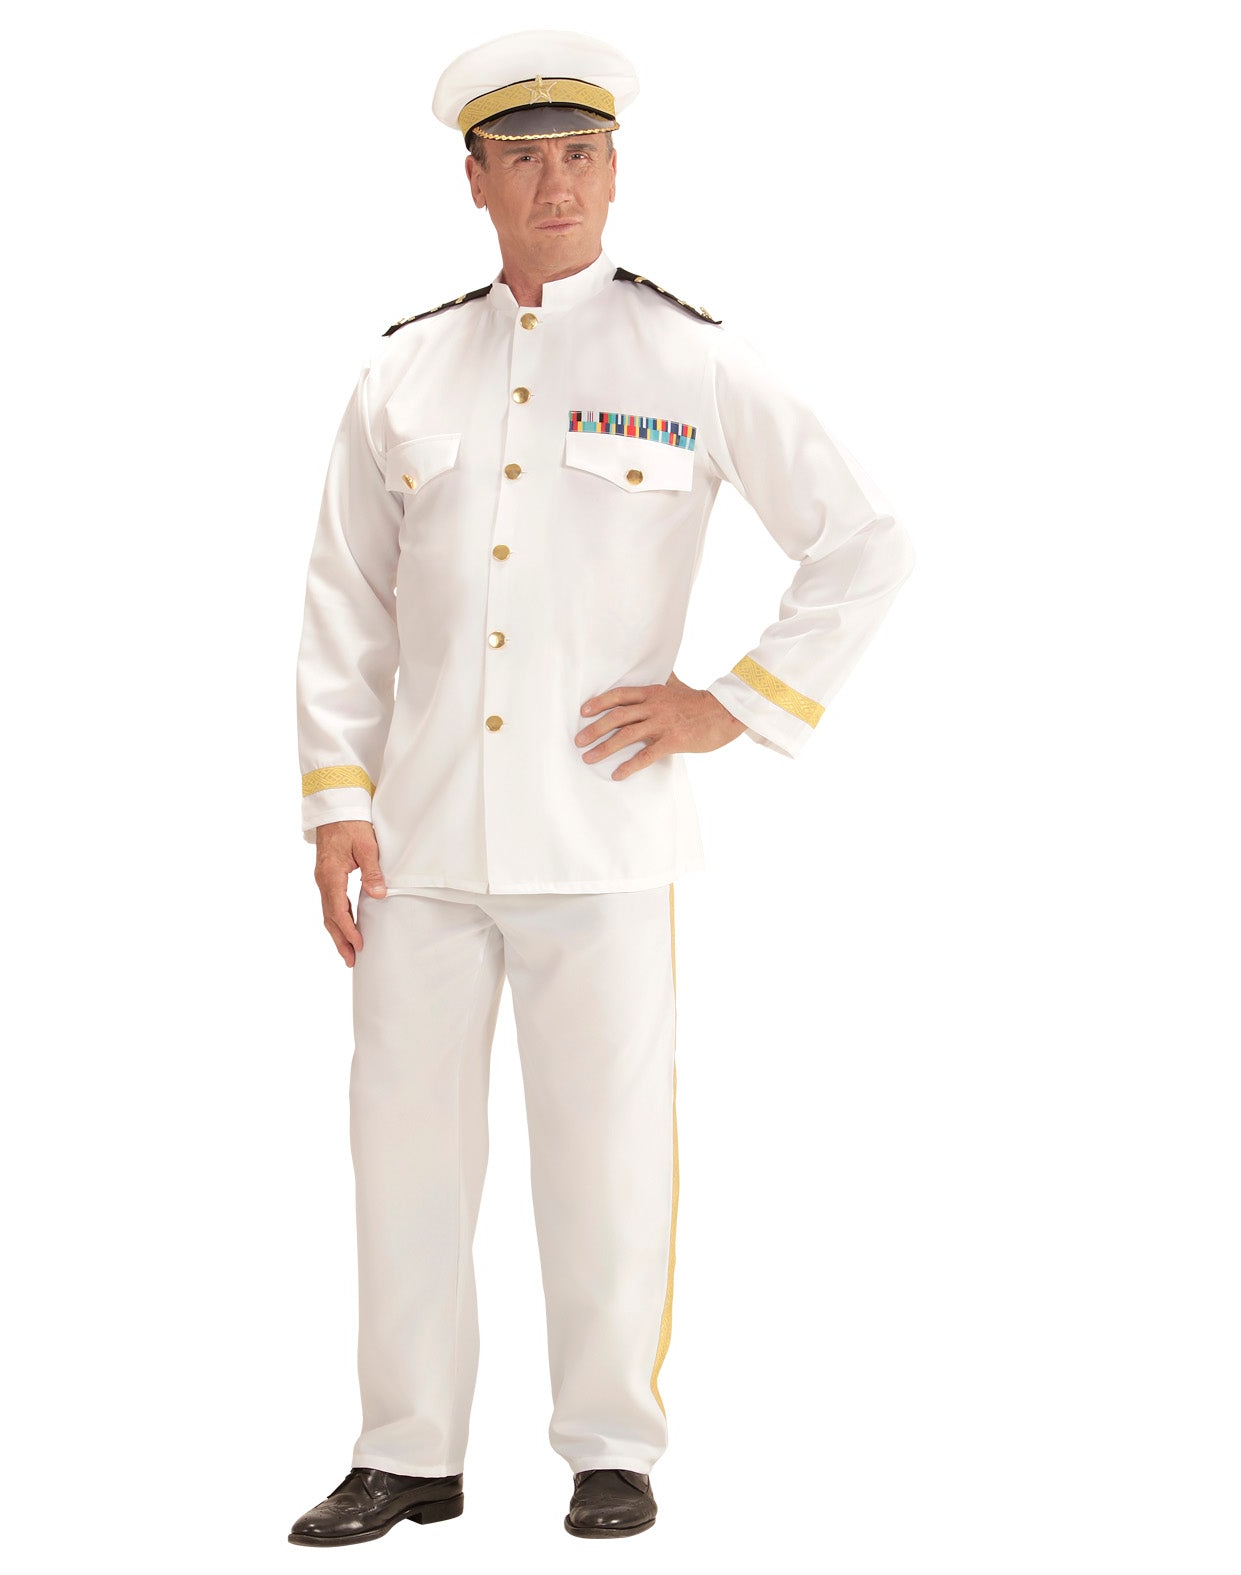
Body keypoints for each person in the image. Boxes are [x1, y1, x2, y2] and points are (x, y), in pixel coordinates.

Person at [289, 27, 915, 1546]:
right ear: (474, 180)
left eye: (578, 155)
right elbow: (345, 600)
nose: (553, 184)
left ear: (616, 172)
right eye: (522, 158)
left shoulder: (687, 358)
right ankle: (406, 1451)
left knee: (609, 1160)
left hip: (605, 833)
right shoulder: (402, 370)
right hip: (421, 839)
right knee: (401, 1159)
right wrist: (335, 797)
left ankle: (610, 1448)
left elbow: (864, 540)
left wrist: (732, 705)